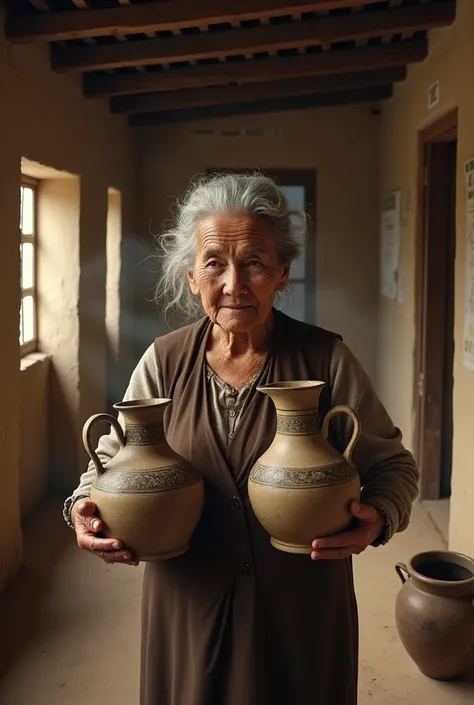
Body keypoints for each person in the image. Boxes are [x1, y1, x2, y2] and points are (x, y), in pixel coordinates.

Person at [63, 172, 419, 705]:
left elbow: (394, 466)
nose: (234, 283)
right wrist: (81, 508)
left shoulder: (325, 360)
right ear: (190, 278)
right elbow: (107, 463)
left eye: (254, 262)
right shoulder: (163, 362)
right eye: (214, 263)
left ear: (282, 274)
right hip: (187, 604)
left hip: (300, 611)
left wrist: (381, 516)